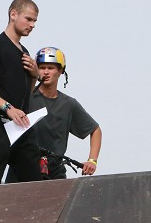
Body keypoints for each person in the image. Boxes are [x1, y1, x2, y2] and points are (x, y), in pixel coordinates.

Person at [0, 0, 43, 185]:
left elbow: (25, 95)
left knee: (35, 186)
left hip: (22, 127)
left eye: (35, 21)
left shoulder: (25, 53)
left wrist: (34, 75)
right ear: (13, 14)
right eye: (29, 19)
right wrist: (8, 108)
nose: (32, 25)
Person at [27, 47, 101, 179]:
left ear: (61, 70)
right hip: (24, 165)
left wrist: (92, 160)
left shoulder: (68, 104)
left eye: (51, 68)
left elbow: (95, 130)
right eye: (42, 67)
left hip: (54, 170)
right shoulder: (26, 97)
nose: (46, 72)